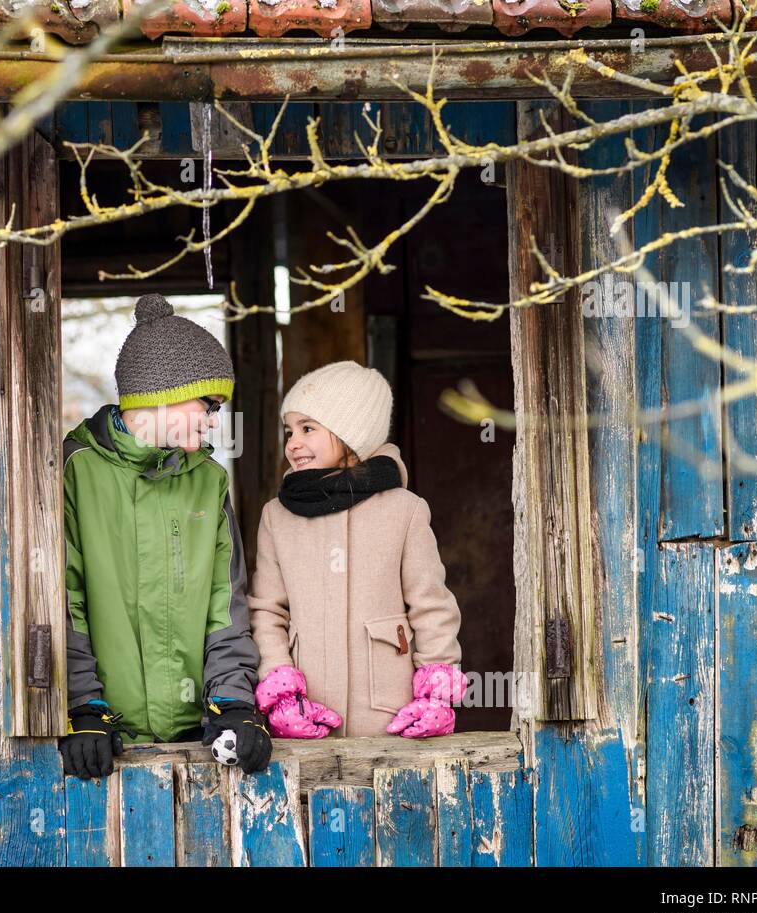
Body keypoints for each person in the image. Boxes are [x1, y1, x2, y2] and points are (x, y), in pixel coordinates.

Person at [58, 293, 271, 779]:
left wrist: (231, 702)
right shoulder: (75, 470)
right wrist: (82, 705)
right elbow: (60, 598)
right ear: (164, 393)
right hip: (106, 737)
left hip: (195, 743)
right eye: (209, 403)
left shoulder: (209, 480)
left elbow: (226, 600)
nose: (216, 418)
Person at [248, 360, 465, 739]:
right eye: (289, 431)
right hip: (306, 720)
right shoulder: (276, 517)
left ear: (352, 433)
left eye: (308, 428)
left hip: (388, 720)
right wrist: (281, 689)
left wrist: (436, 693)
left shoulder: (404, 510)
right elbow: (267, 611)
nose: (292, 443)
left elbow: (432, 607)